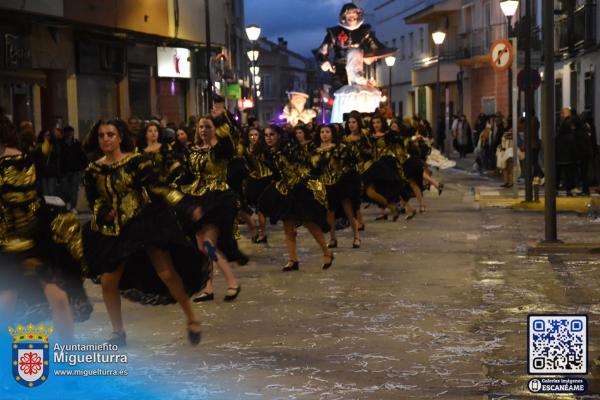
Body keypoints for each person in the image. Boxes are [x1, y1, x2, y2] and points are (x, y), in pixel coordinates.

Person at [81, 119, 207, 346]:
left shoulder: (136, 162)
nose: (106, 139)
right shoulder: (94, 170)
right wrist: (103, 211)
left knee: (167, 274)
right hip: (114, 230)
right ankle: (118, 333)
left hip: (144, 222)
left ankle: (191, 317)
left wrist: (186, 206)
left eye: (111, 134)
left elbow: (160, 188)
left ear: (120, 137)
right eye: (101, 135)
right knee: (109, 280)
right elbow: (95, 200)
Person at [0, 117, 92, 342]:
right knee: (5, 305)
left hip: (37, 241)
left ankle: (68, 357)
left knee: (59, 298)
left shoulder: (27, 159)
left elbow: (37, 193)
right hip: (5, 245)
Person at [177, 115, 242, 302]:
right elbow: (187, 175)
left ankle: (232, 282)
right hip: (197, 198)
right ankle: (208, 287)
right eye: (200, 127)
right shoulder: (193, 151)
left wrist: (221, 121)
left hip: (217, 199)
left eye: (207, 126)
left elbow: (229, 146)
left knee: (208, 246)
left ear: (215, 129)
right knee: (200, 246)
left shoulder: (221, 149)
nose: (203, 130)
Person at [258, 124, 334, 271]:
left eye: (272, 135)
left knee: (309, 222)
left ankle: (327, 252)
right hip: (285, 190)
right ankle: (293, 260)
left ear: (279, 136)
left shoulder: (289, 148)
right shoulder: (268, 152)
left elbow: (305, 163)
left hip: (299, 188)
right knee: (288, 225)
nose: (268, 138)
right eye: (266, 135)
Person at [312, 124, 361, 249]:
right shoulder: (315, 150)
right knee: (329, 213)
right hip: (325, 184)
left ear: (332, 133)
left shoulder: (340, 148)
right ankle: (333, 238)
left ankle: (356, 237)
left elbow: (350, 162)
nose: (325, 134)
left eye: (327, 131)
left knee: (348, 211)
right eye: (322, 131)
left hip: (340, 182)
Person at [242, 126, 272, 243]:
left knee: (261, 208)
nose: (253, 137)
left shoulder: (264, 148)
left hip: (265, 179)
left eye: (255, 135)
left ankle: (262, 233)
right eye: (251, 135)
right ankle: (256, 230)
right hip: (252, 180)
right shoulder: (246, 149)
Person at [59, 126, 87, 212]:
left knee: (74, 189)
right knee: (65, 190)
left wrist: (83, 167)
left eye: (71, 132)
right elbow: (58, 158)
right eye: (68, 133)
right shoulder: (60, 144)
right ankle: (67, 204)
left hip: (76, 170)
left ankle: (73, 207)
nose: (70, 135)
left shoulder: (76, 143)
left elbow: (82, 156)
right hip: (65, 170)